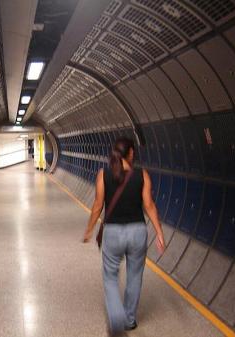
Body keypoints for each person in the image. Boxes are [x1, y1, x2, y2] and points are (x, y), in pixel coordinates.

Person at [82, 137, 165, 335]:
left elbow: (97, 205)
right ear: (131, 153)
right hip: (137, 232)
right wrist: (159, 232)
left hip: (113, 233)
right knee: (135, 276)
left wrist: (89, 229)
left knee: (110, 277)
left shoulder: (103, 175)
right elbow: (149, 205)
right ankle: (129, 319)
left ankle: (116, 320)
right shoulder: (142, 175)